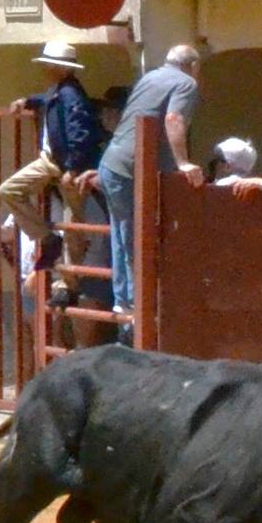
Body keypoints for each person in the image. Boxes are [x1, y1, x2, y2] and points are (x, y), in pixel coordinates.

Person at [95, 42, 203, 324]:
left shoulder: (149, 77)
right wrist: (182, 163)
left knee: (122, 232)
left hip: (113, 162)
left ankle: (124, 301)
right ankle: (136, 304)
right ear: (193, 66)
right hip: (132, 168)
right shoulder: (186, 83)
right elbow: (173, 118)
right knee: (134, 235)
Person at [0, 40, 104, 284]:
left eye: (50, 64)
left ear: (60, 68)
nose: (46, 68)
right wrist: (28, 101)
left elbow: (80, 133)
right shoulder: (61, 91)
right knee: (12, 192)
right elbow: (45, 99)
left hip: (64, 164)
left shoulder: (70, 95)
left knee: (73, 223)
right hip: (54, 160)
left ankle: (68, 281)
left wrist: (73, 167)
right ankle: (51, 245)